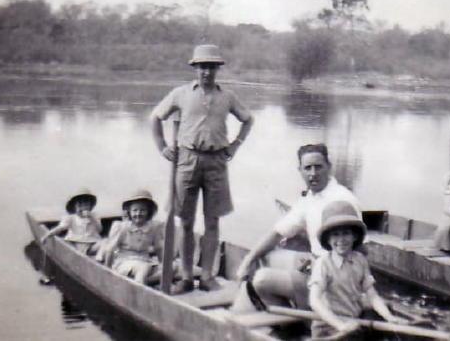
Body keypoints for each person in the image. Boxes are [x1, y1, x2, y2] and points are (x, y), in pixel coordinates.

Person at [151, 44, 254, 293]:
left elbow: (248, 119)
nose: (206, 72)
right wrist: (163, 146)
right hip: (187, 160)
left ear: (217, 69)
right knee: (185, 221)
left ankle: (207, 276)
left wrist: (235, 145)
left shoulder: (227, 97)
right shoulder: (181, 93)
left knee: (212, 221)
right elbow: (156, 117)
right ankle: (187, 276)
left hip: (217, 161)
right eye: (202, 67)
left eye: (211, 67)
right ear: (195, 68)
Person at [235, 143, 360, 309]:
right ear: (300, 170)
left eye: (318, 167)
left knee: (261, 279)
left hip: (332, 275)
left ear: (329, 167)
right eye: (308, 168)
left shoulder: (342, 199)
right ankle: (293, 313)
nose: (313, 174)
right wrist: (247, 261)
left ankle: (301, 320)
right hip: (315, 263)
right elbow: (278, 233)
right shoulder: (310, 198)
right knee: (266, 257)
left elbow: (360, 250)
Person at [309, 200, 405, 339]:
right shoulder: (323, 264)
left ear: (354, 236)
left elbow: (372, 295)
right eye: (335, 235)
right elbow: (315, 301)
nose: (341, 239)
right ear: (328, 239)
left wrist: (389, 317)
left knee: (385, 310)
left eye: (346, 233)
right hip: (329, 328)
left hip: (353, 322)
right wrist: (340, 325)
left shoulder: (360, 260)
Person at [104, 189, 164, 285]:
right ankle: (139, 288)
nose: (138, 214)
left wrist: (164, 266)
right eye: (135, 210)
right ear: (129, 212)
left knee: (172, 268)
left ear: (149, 212)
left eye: (142, 210)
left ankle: (145, 282)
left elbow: (159, 248)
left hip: (145, 261)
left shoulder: (153, 228)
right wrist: (107, 271)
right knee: (143, 268)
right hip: (125, 262)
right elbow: (110, 250)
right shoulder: (122, 227)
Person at [41, 188, 102, 255]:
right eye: (79, 206)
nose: (83, 208)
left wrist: (92, 218)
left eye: (86, 205)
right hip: (79, 243)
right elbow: (60, 228)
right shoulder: (71, 218)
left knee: (104, 242)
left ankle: (101, 259)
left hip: (93, 242)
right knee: (81, 248)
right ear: (74, 207)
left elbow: (99, 229)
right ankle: (91, 257)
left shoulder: (93, 216)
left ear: (90, 207)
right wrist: (47, 235)